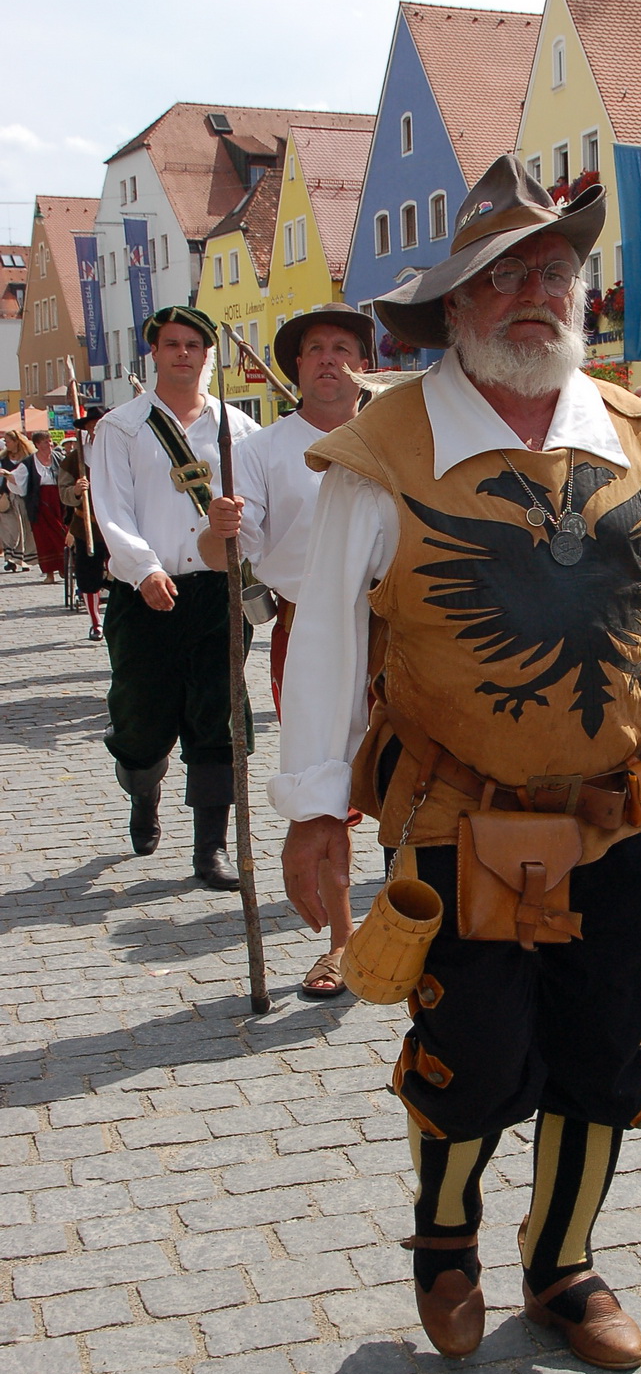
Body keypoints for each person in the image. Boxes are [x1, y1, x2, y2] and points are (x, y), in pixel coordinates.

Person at [273, 155, 641, 1369]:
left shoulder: (633, 431)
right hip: (457, 819)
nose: (532, 294)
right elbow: (331, 641)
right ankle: (443, 1242)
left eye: (552, 271)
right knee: (477, 1052)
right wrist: (313, 814)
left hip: (617, 815)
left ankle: (563, 1266)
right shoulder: (387, 448)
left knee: (605, 1048)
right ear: (454, 307)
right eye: (502, 277)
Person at [198, 304, 376, 995]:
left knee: (420, 768)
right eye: (314, 350)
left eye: (342, 347)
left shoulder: (399, 435)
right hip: (308, 628)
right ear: (296, 367)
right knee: (321, 780)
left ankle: (422, 927)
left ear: (362, 360)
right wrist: (220, 529)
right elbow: (219, 555)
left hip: (406, 623)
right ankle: (342, 942)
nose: (329, 359)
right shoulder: (261, 451)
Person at [89, 306, 258, 886]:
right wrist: (143, 569)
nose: (183, 353)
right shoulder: (122, 427)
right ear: (154, 353)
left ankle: (209, 849)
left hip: (216, 593)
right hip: (144, 595)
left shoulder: (237, 429)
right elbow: (110, 509)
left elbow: (257, 506)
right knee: (140, 717)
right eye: (172, 344)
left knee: (219, 717)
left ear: (208, 355)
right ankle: (144, 787)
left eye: (194, 345)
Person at [58, 404, 110, 641]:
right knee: (88, 576)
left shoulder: (123, 451)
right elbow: (64, 492)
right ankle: (95, 622)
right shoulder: (74, 460)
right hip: (87, 524)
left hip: (120, 522)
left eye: (101, 426)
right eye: (93, 427)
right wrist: (77, 491)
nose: (97, 431)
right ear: (87, 429)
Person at [9, 429, 67, 583]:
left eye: (49, 441)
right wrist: (8, 475)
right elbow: (18, 479)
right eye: (44, 442)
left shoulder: (59, 458)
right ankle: (49, 573)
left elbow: (68, 475)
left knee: (62, 534)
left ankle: (64, 568)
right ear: (37, 445)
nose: (48, 445)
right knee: (44, 539)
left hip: (58, 502)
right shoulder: (28, 463)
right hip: (40, 504)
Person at [1, 432, 35, 571]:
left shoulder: (28, 458)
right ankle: (10, 559)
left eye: (8, 440)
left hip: (23, 498)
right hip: (6, 497)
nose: (6, 443)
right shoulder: (3, 459)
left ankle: (23, 559)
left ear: (16, 441)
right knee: (10, 529)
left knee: (25, 529)